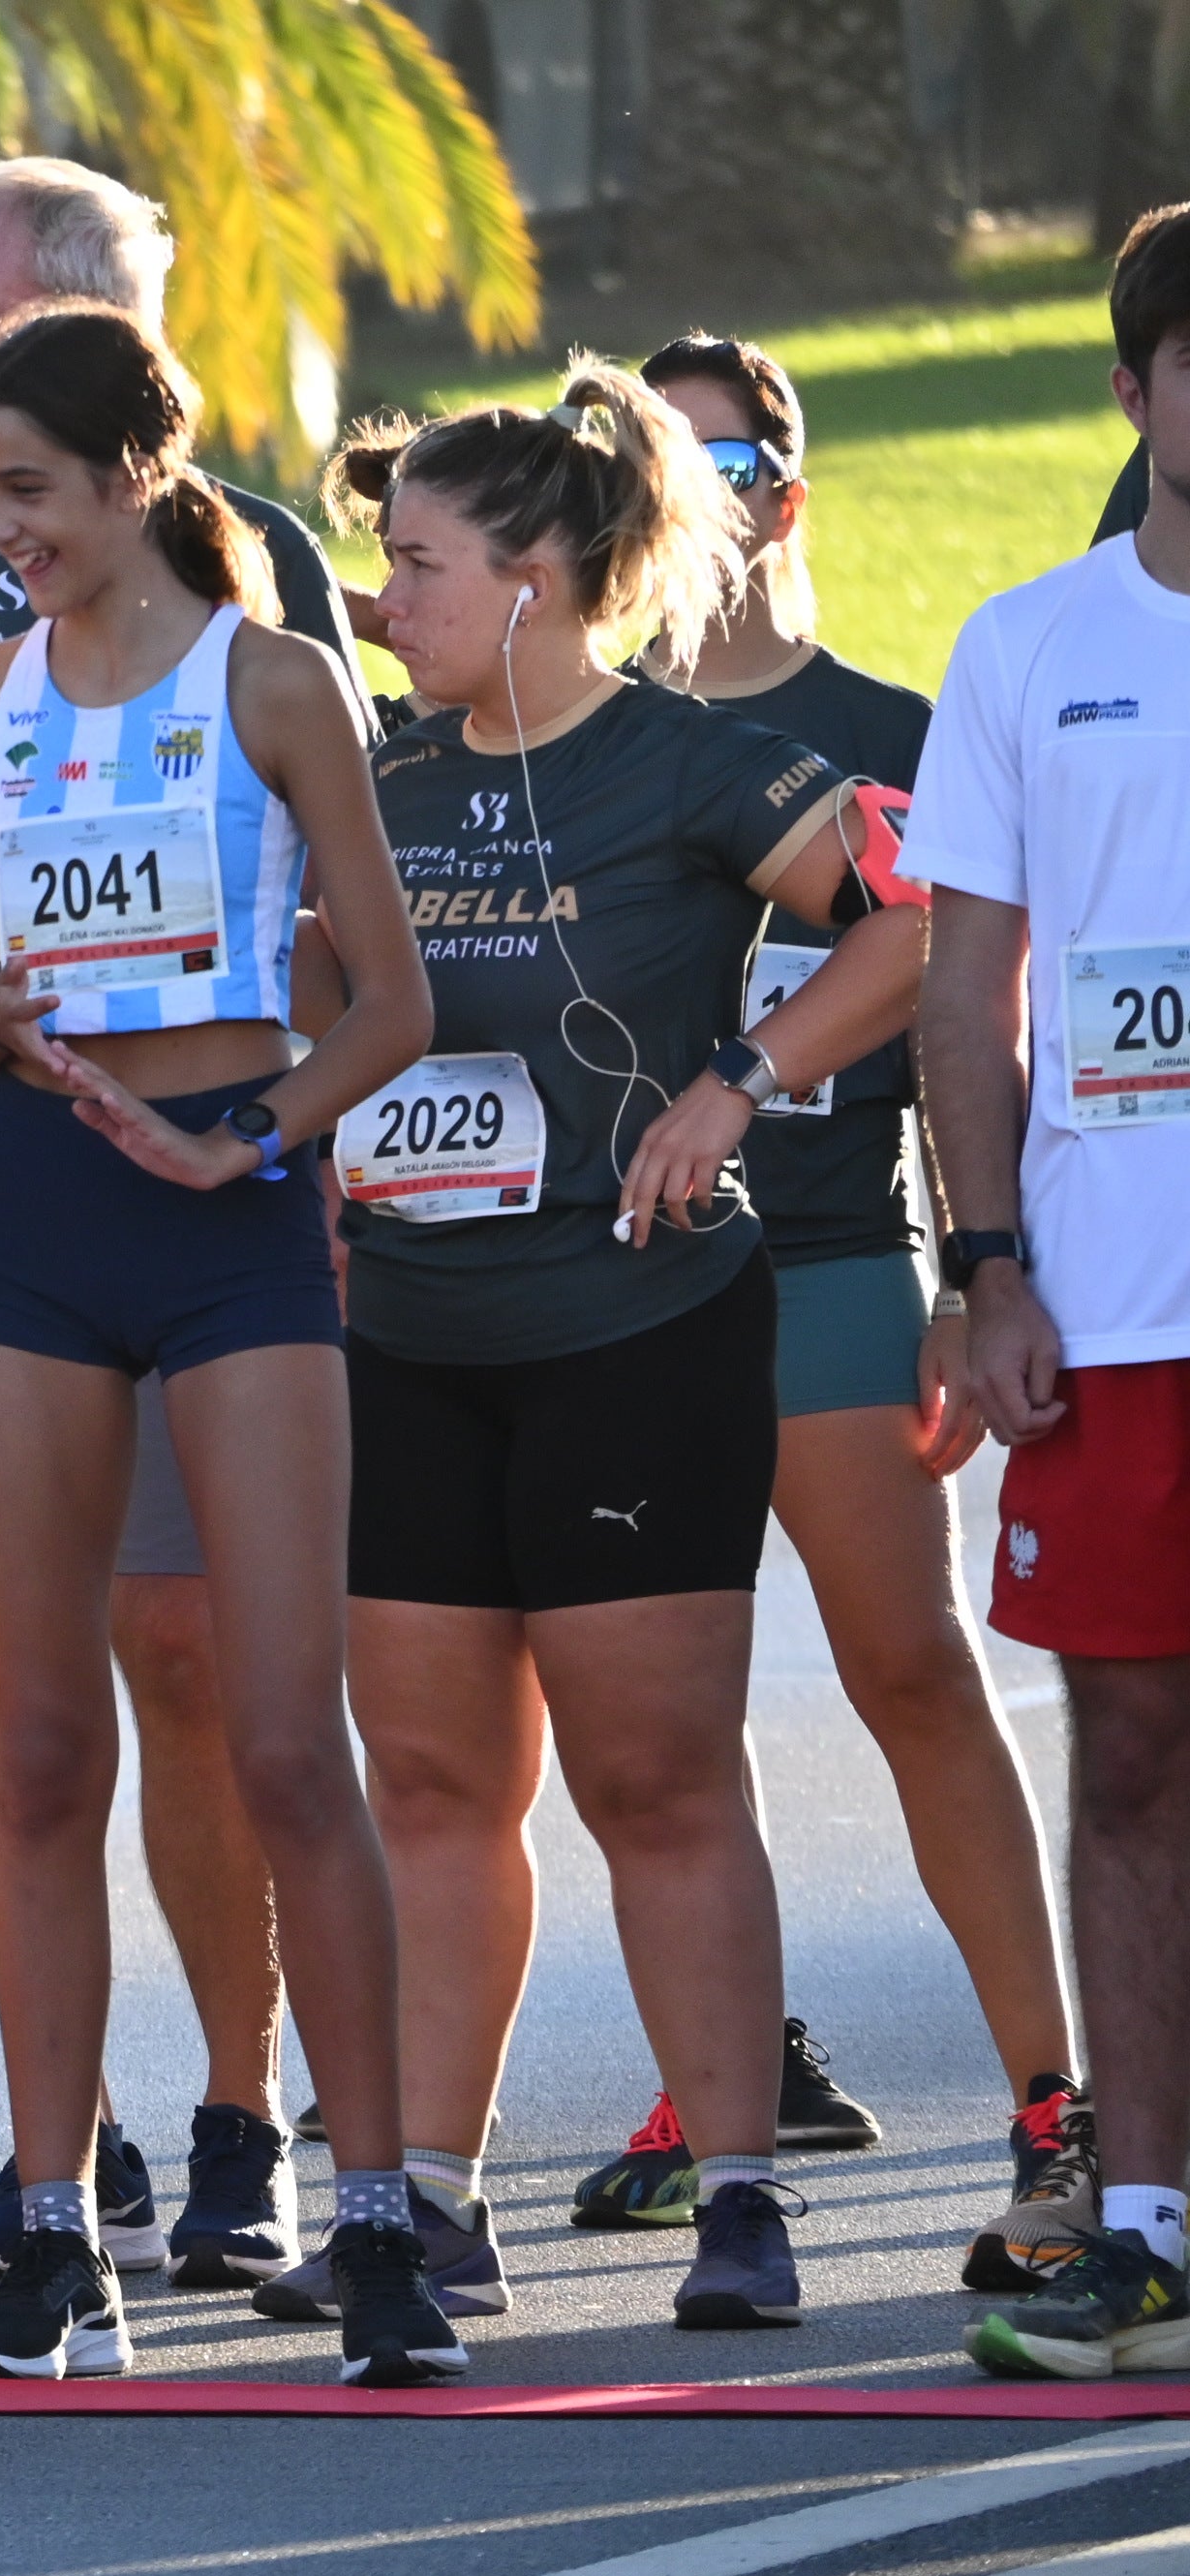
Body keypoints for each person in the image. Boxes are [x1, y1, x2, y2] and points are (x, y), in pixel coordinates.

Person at [323, 356, 929, 2338]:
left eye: (416, 561)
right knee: (428, 1782)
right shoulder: (378, 772)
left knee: (654, 1776)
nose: (382, 596)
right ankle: (428, 2198)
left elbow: (917, 919)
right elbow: (324, 998)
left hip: (637, 1330)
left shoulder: (685, 758)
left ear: (542, 573)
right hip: (409, 1335)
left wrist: (738, 1082)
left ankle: (741, 2193)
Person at [0, 304, 449, 2385]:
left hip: (230, 1227)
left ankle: (384, 2211)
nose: (1, 530)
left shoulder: (278, 679)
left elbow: (390, 1006)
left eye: (28, 489)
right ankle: (55, 2227)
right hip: (43, 1222)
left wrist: (258, 1142)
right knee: (39, 1746)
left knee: (287, 1737)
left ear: (142, 470)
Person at [0, 155, 324, 2285]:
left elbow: (311, 910)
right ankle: (61, 2134)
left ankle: (240, 2108)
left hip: (216, 1212)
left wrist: (294, 1162)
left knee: (197, 1664)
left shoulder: (242, 569)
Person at [583, 332, 1082, 2289]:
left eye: (721, 458)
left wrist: (981, 1265)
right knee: (647, 1732)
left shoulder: (897, 717)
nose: (681, 493)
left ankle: (1060, 2094)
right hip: (609, 1294)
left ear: (783, 491)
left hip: (830, 1264)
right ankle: (724, 2080)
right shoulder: (578, 729)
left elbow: (972, 1010)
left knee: (911, 1671)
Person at [930, 203, 1190, 2383]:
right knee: (1131, 1749)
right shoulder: (1027, 647)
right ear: (1135, 391)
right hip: (1108, 1309)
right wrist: (982, 1262)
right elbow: (962, 991)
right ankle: (1146, 2218)